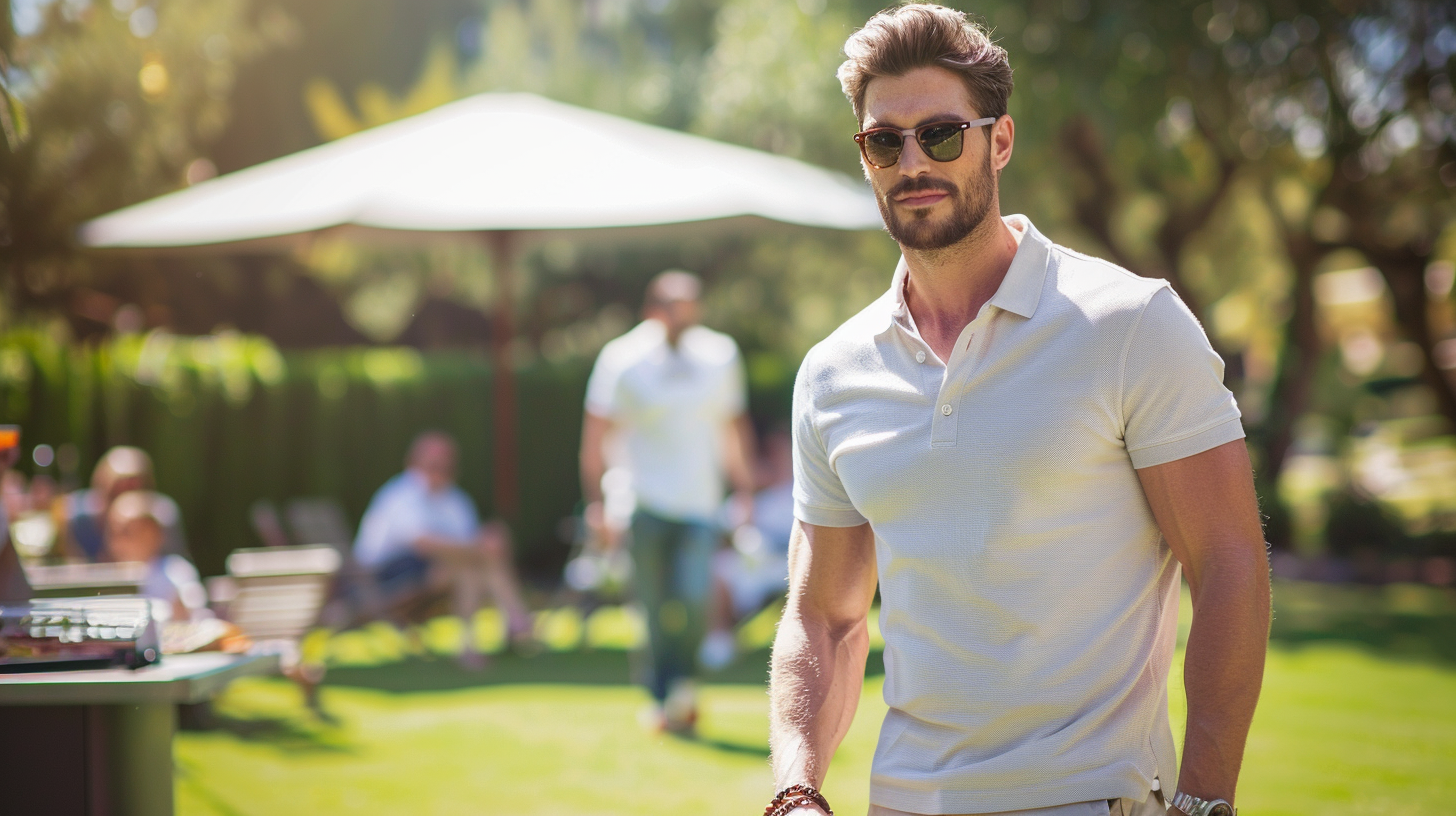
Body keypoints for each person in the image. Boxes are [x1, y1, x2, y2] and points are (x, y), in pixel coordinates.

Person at [766, 7, 1271, 816]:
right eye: (883, 141)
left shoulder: (1131, 324)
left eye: (939, 134)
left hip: (1090, 800)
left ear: (999, 142)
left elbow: (1230, 565)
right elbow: (824, 617)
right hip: (901, 801)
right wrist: (797, 789)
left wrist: (1205, 800)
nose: (910, 162)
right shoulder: (832, 373)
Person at [580, 270, 756, 733]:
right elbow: (595, 438)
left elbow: (733, 427)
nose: (687, 315)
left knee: (697, 600)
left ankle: (684, 688)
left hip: (700, 505)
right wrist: (597, 504)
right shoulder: (621, 359)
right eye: (677, 306)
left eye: (692, 304)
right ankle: (661, 699)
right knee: (654, 611)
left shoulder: (720, 355)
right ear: (653, 310)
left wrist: (745, 492)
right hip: (641, 504)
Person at [353, 431, 533, 669]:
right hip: (384, 576)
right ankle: (514, 616)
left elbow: (465, 543)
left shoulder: (456, 499)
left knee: (471, 565)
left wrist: (484, 545)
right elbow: (423, 542)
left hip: (436, 570)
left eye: (447, 463)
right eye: (433, 463)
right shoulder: (401, 495)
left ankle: (474, 643)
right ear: (415, 462)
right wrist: (481, 547)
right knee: (473, 559)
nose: (441, 469)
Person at [699, 427, 794, 671]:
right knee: (718, 568)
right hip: (751, 567)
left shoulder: (803, 494)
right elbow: (721, 533)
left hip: (790, 568)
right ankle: (718, 638)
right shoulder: (749, 499)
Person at [63, 446, 186, 563]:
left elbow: (175, 564)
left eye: (134, 489)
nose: (125, 499)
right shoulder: (76, 516)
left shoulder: (162, 515)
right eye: (118, 490)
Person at [106, 490, 207, 622]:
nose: (119, 542)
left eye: (127, 532)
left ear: (153, 534)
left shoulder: (176, 572)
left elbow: (193, 616)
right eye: (113, 532)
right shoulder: (111, 578)